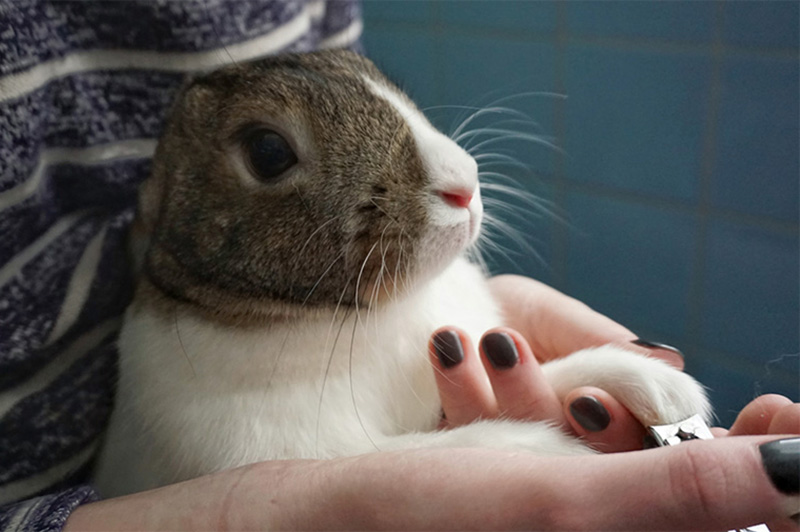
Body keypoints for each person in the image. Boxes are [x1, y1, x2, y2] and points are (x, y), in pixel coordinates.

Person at [1, 2, 797, 531]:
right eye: (272, 154)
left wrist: (559, 382)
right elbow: (316, 477)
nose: (462, 176)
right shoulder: (193, 381)